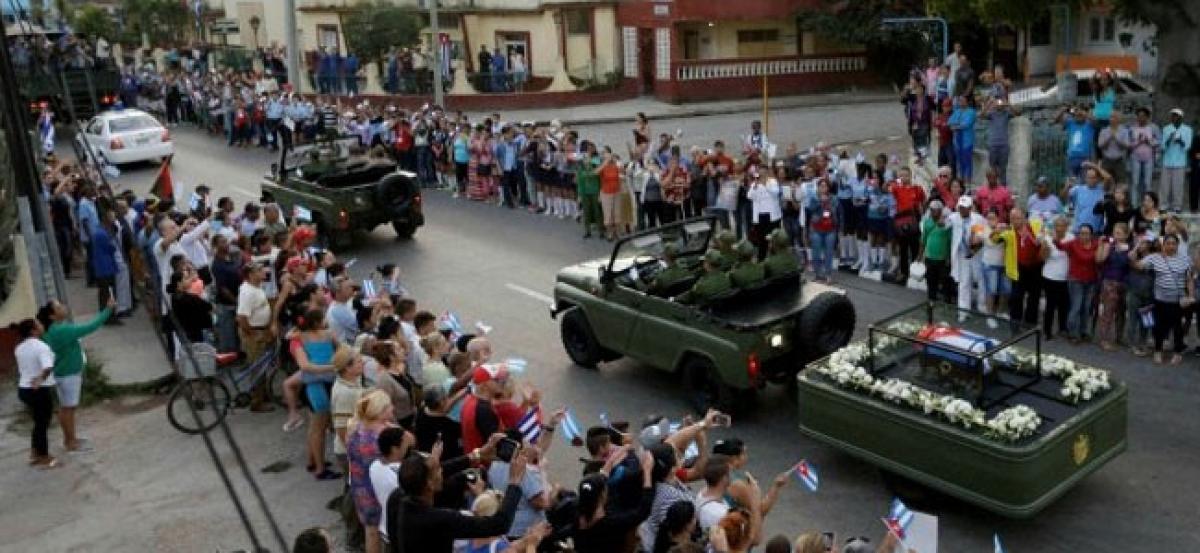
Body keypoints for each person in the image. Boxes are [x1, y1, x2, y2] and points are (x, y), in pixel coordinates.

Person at [386, 440, 527, 553]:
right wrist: (514, 483)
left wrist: (477, 455)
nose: (442, 470)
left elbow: (435, 472)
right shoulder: (439, 519)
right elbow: (498, 524)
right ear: (429, 484)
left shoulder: (398, 497)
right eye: (438, 469)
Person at [37, 297, 114, 453]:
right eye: (58, 307)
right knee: (69, 409)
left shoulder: (52, 330)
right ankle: (71, 442)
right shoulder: (62, 330)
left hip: (61, 373)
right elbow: (91, 326)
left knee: (65, 408)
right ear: (52, 316)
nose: (63, 307)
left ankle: (69, 439)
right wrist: (108, 310)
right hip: (69, 374)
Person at [290, 308, 342, 480]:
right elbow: (305, 366)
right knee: (319, 428)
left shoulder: (299, 339)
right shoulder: (328, 335)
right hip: (321, 385)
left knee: (315, 427)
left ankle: (313, 461)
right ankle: (320, 469)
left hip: (315, 385)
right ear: (317, 322)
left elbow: (305, 365)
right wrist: (332, 367)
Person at [573, 449, 655, 553]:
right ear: (603, 496)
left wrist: (611, 460)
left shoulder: (578, 512)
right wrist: (647, 472)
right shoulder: (612, 522)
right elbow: (642, 511)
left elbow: (602, 477)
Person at [346, 389, 395, 553]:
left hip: (359, 487)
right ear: (380, 412)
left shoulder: (355, 427)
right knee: (375, 534)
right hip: (374, 492)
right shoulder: (379, 439)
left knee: (370, 531)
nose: (392, 408)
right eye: (389, 406)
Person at [1131, 234, 1193, 365]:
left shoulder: (1185, 260)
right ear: (1163, 245)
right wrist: (1136, 250)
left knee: (1177, 328)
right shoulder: (1154, 258)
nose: (1171, 246)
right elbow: (1138, 266)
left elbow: (1189, 280)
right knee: (1158, 327)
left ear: (1177, 245)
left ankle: (1177, 353)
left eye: (1173, 243)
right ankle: (1158, 351)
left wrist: (1190, 296)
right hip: (1159, 300)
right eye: (1168, 243)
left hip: (1178, 301)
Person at [12, 318, 59, 469]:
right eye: (39, 324)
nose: (42, 325)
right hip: (38, 389)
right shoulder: (40, 347)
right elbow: (48, 367)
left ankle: (34, 452)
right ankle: (43, 456)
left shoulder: (19, 348)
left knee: (38, 422)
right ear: (33, 331)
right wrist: (40, 379)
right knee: (42, 423)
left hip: (24, 389)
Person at [371, 427, 416, 542]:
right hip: (400, 530)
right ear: (395, 449)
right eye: (406, 446)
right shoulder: (400, 474)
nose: (409, 449)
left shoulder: (374, 465)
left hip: (384, 526)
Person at [1059, 223, 1101, 343]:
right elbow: (1060, 246)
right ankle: (1072, 333)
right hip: (1076, 280)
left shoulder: (1096, 244)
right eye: (1081, 233)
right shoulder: (1073, 243)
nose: (1084, 236)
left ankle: (1083, 331)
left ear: (1091, 235)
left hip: (1091, 280)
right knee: (1076, 307)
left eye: (1086, 233)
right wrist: (1055, 236)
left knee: (1086, 307)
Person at [1096, 223, 1133, 351]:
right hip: (1109, 282)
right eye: (1114, 233)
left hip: (1125, 283)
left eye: (1119, 233)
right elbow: (1099, 260)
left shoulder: (1130, 248)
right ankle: (1104, 339)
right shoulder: (1109, 246)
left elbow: (1132, 264)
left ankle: (1119, 337)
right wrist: (1102, 245)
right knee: (1108, 311)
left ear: (1126, 235)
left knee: (1122, 312)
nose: (1115, 235)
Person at [948, 196, 987, 317]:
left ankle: (982, 306)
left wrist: (974, 250)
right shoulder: (954, 217)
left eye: (964, 208)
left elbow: (982, 239)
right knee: (964, 282)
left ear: (970, 208)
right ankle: (963, 311)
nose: (962, 210)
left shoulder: (978, 219)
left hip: (976, 255)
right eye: (960, 207)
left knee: (981, 281)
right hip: (962, 255)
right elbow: (943, 224)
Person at [890, 168, 926, 281]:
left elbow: (923, 202)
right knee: (903, 249)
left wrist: (922, 215)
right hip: (901, 223)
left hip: (914, 223)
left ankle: (915, 273)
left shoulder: (917, 189)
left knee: (915, 248)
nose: (904, 178)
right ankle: (904, 272)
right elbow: (888, 188)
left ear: (910, 176)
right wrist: (896, 181)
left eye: (906, 175)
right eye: (901, 176)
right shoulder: (897, 189)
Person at [1040, 217, 1072, 340]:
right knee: (1050, 305)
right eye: (1057, 226)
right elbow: (1043, 258)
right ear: (1054, 227)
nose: (1060, 229)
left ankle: (1063, 328)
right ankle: (1047, 330)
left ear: (1066, 227)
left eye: (1062, 226)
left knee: (1064, 305)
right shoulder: (1048, 239)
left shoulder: (1071, 238)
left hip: (1065, 277)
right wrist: (1047, 246)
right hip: (1050, 276)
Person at [1063, 162, 1112, 234]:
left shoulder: (1102, 189)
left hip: (1096, 232)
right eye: (1088, 177)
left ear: (1098, 178)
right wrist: (1066, 187)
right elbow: (1063, 196)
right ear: (1085, 178)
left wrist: (1093, 165)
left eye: (1093, 177)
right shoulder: (1078, 189)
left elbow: (1108, 178)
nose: (1091, 179)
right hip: (1079, 231)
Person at [920, 200, 953, 303]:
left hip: (942, 258)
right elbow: (923, 240)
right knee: (930, 280)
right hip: (929, 257)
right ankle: (931, 299)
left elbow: (950, 241)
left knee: (945, 280)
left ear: (940, 211)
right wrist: (920, 255)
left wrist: (948, 257)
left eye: (936, 210)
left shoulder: (946, 225)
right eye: (932, 210)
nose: (933, 212)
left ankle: (947, 299)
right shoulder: (927, 223)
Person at [1160, 108, 1193, 211]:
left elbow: (1187, 146)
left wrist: (1180, 141)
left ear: (1181, 117)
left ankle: (1177, 206)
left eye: (1176, 116)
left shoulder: (1188, 129)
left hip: (1180, 162)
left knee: (1178, 186)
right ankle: (1163, 205)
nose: (1174, 117)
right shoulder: (1166, 129)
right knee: (1165, 185)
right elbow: (1162, 147)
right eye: (1172, 115)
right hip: (1167, 161)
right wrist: (1169, 140)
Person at [1128, 107, 1160, 201]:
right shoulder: (1132, 128)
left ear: (1148, 117)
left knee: (1147, 183)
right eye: (1139, 116)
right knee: (1135, 182)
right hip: (1135, 158)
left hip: (1149, 158)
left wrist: (1148, 141)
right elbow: (1128, 144)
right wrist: (1137, 142)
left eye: (1143, 116)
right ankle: (1134, 205)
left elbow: (1159, 141)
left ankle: (1148, 203)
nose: (1141, 118)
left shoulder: (1153, 128)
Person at [1058, 105, 1096, 179]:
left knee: (1084, 182)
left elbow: (1095, 121)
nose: (1078, 115)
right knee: (1071, 182)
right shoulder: (1071, 123)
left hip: (1085, 158)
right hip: (1071, 158)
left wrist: (1083, 113)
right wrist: (1062, 110)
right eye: (1076, 114)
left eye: (1080, 115)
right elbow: (1058, 120)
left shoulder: (1089, 125)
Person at [981, 96, 1013, 181]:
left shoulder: (1006, 113)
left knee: (1003, 169)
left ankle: (1003, 188)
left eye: (1000, 103)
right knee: (992, 169)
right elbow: (982, 115)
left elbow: (1018, 113)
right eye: (997, 103)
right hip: (993, 144)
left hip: (1004, 145)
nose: (999, 104)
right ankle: (993, 187)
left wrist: (1008, 104)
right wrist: (989, 104)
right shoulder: (992, 114)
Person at [947, 95, 977, 183]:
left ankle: (968, 181)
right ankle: (961, 181)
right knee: (959, 162)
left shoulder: (971, 112)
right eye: (960, 101)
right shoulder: (957, 111)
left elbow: (966, 124)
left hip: (967, 141)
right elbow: (950, 122)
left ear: (967, 101)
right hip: (957, 141)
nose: (961, 102)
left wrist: (956, 126)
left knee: (967, 161)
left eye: (963, 100)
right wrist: (957, 125)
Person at [1097, 110, 1131, 184]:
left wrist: (1116, 139)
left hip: (1119, 161)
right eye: (1111, 117)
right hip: (1106, 160)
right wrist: (1109, 138)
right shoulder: (1104, 131)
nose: (1112, 119)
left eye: (1114, 117)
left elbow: (1127, 146)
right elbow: (1100, 146)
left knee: (1121, 183)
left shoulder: (1124, 131)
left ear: (1119, 119)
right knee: (1105, 182)